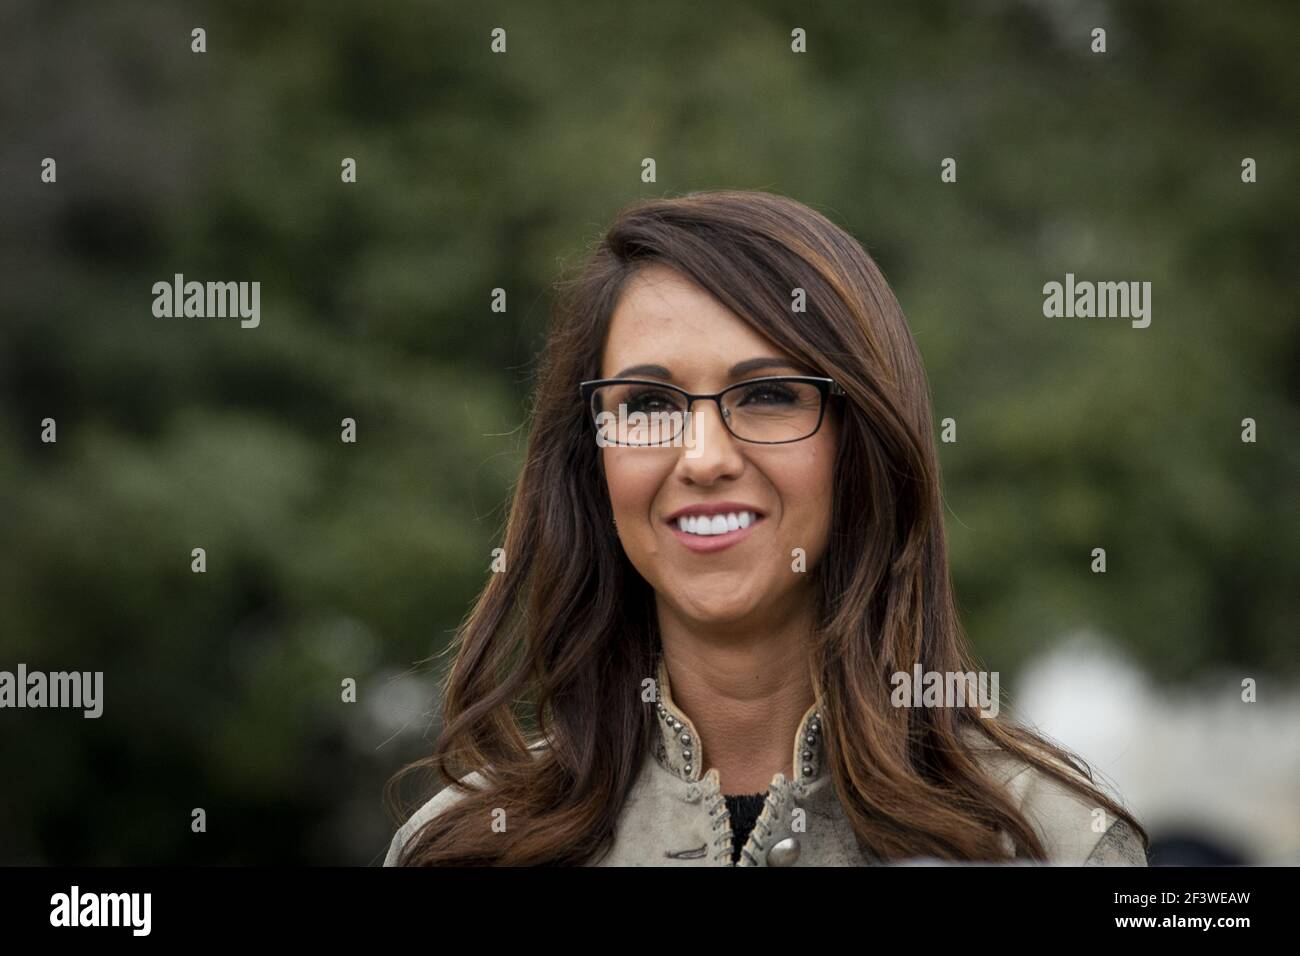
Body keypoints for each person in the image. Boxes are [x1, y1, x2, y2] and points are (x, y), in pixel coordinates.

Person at [383, 190, 1149, 866]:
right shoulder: (463, 846)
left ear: (864, 445)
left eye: (770, 394)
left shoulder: (1046, 842)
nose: (703, 457)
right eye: (648, 405)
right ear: (593, 458)